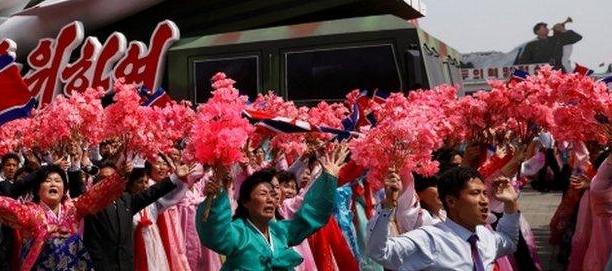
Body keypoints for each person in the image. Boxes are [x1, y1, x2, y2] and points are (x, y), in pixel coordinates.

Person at [196, 146, 345, 270]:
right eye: (263, 194)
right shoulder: (238, 233)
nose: (270, 199)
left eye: (273, 195)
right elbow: (214, 232)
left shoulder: (280, 231)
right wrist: (216, 198)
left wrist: (328, 178)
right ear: (245, 202)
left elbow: (309, 216)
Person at [0, 155, 131, 271]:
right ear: (38, 190)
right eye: (47, 181)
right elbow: (14, 208)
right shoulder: (32, 211)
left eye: (58, 181)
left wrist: (118, 176)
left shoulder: (74, 208)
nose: (53, 183)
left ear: (64, 190)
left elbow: (96, 195)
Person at [367, 166, 521, 270]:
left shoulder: (485, 236)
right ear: (451, 201)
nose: (484, 201)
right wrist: (388, 207)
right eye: (475, 193)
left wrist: (511, 203)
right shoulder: (429, 239)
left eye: (485, 193)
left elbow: (509, 241)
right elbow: (380, 252)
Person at [83, 160, 181, 271]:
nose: (108, 182)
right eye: (103, 179)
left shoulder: (126, 200)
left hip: (126, 266)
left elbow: (152, 192)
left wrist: (174, 178)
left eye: (112, 178)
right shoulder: (90, 205)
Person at [515, 18, 583, 70]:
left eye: (547, 27)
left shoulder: (556, 39)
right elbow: (523, 62)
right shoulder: (531, 45)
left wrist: (563, 30)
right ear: (537, 31)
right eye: (544, 27)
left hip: (557, 70)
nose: (547, 29)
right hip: (539, 72)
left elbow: (577, 38)